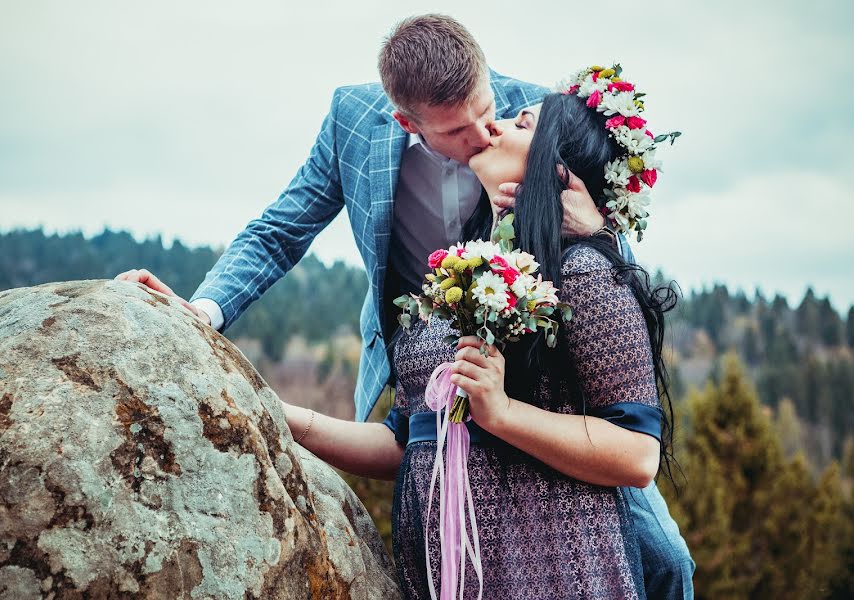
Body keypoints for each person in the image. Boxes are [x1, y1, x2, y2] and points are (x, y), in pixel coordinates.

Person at [115, 15, 693, 598]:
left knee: (665, 559)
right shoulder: (355, 123)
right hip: (431, 369)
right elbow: (278, 233)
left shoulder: (532, 117)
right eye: (457, 130)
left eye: (485, 109)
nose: (483, 132)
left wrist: (599, 227)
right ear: (407, 123)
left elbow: (594, 254)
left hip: (546, 391)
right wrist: (200, 315)